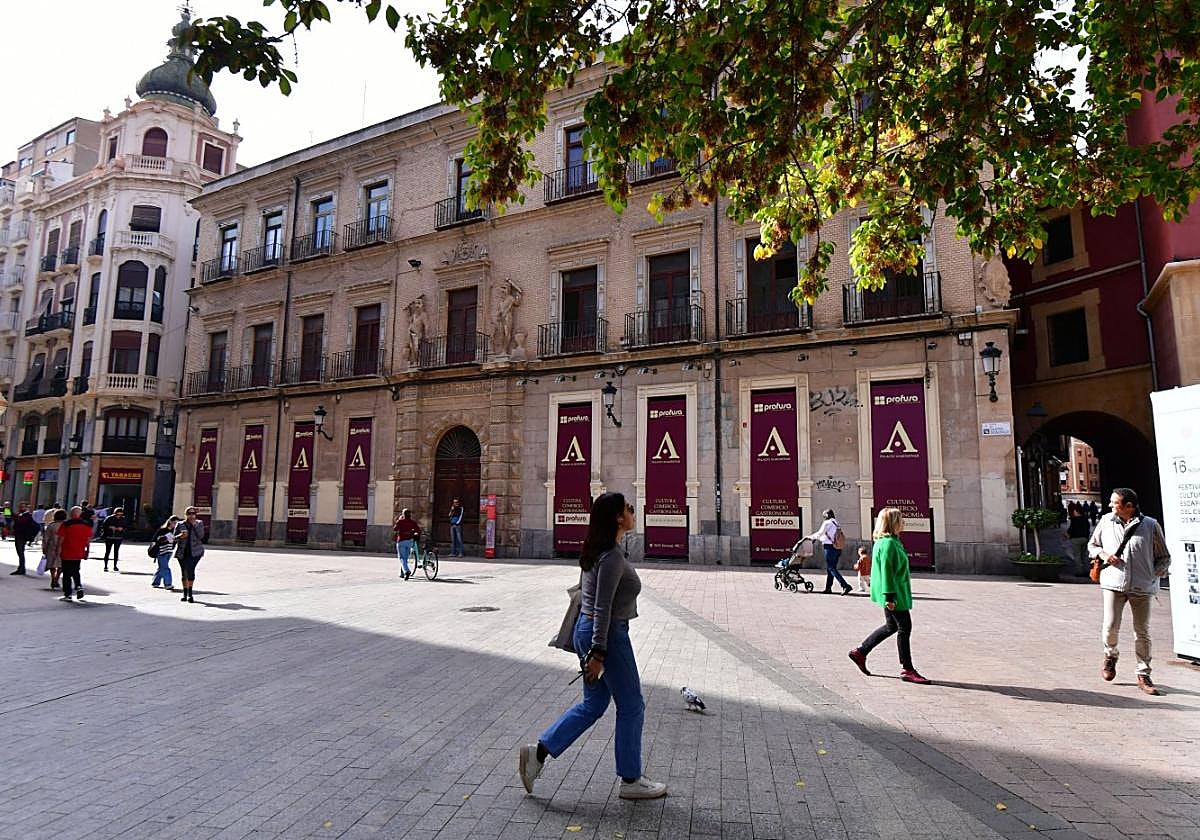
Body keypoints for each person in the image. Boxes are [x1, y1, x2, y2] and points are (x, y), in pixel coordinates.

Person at [518, 492, 667, 801]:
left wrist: (592, 646)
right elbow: (602, 607)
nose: (632, 511)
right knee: (632, 705)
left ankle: (539, 753)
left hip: (592, 632)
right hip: (607, 635)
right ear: (616, 517)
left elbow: (591, 601)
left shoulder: (597, 550)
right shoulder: (610, 557)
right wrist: (598, 653)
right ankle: (630, 779)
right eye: (628, 508)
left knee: (594, 705)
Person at [1089, 487, 1171, 695]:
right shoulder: (1107, 521)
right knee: (1110, 626)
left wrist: (1155, 574)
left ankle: (1143, 673)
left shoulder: (1150, 525)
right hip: (1113, 583)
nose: (1109, 505)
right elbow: (1093, 545)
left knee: (1142, 631)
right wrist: (1105, 555)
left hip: (1142, 586)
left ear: (1129, 506)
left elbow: (1164, 557)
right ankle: (1110, 656)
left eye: (1114, 502)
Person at [847, 507, 931, 684]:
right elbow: (886, 570)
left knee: (891, 626)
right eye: (900, 519)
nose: (903, 523)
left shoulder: (887, 541)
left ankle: (861, 652)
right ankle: (907, 669)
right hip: (893, 593)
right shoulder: (889, 544)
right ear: (893, 523)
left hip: (893, 591)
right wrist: (890, 596)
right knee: (904, 627)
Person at [808, 508, 852, 595]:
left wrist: (810, 537)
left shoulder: (827, 523)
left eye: (824, 516)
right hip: (837, 547)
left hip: (829, 548)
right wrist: (818, 538)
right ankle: (828, 588)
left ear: (826, 515)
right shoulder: (836, 523)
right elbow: (827, 535)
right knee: (830, 569)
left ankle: (845, 585)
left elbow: (820, 533)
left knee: (831, 567)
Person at [59, 506, 93, 602]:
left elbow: (61, 539)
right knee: (75, 571)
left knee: (66, 573)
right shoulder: (86, 525)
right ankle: (78, 586)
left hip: (67, 551)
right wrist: (87, 552)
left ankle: (68, 594)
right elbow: (88, 541)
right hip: (79, 552)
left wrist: (58, 549)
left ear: (71, 514)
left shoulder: (66, 524)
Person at [173, 507, 206, 603]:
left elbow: (201, 536)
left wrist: (194, 525)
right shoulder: (180, 524)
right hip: (182, 552)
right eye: (189, 513)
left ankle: (190, 594)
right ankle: (185, 594)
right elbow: (174, 537)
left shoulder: (199, 523)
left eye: (193, 514)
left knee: (190, 569)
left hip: (195, 552)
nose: (191, 516)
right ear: (186, 514)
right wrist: (180, 536)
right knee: (184, 572)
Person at [151, 516, 179, 591]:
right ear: (170, 522)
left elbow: (175, 541)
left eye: (176, 523)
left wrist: (174, 541)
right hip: (161, 551)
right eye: (174, 523)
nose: (175, 525)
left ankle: (155, 582)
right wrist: (164, 538)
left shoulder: (175, 531)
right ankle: (168, 584)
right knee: (165, 568)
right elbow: (154, 539)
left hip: (169, 551)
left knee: (162, 567)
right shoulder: (162, 530)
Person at [393, 509, 422, 580]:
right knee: (405, 557)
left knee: (402, 558)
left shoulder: (400, 521)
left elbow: (395, 529)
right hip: (409, 541)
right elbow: (418, 530)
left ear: (403, 514)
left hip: (401, 541)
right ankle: (402, 573)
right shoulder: (412, 522)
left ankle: (406, 571)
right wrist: (414, 533)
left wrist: (398, 520)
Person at [11, 504, 39, 575]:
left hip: (21, 536)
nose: (20, 508)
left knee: (20, 552)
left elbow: (20, 524)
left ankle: (22, 568)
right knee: (20, 552)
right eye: (20, 507)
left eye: (22, 507)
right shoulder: (22, 515)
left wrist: (16, 518)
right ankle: (21, 567)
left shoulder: (26, 516)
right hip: (20, 535)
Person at [42, 508, 66, 591]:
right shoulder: (66, 525)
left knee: (52, 564)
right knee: (61, 564)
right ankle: (57, 578)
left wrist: (44, 548)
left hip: (51, 546)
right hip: (63, 546)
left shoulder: (51, 525)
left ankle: (53, 577)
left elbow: (46, 538)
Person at [1065, 502, 1091, 576]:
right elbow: (1087, 529)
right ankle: (1087, 570)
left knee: (1077, 556)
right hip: (1085, 539)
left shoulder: (1074, 520)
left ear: (1076, 511)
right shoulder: (1085, 519)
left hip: (1076, 539)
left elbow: (1071, 530)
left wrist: (1067, 535)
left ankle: (1080, 571)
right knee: (1084, 555)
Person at [101, 508, 127, 572]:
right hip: (109, 537)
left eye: (120, 514)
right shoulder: (109, 518)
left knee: (116, 551)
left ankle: (115, 566)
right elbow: (103, 526)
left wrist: (122, 529)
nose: (119, 516)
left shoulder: (123, 519)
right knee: (108, 551)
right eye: (117, 514)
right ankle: (105, 566)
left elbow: (126, 527)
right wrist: (110, 527)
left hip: (118, 537)